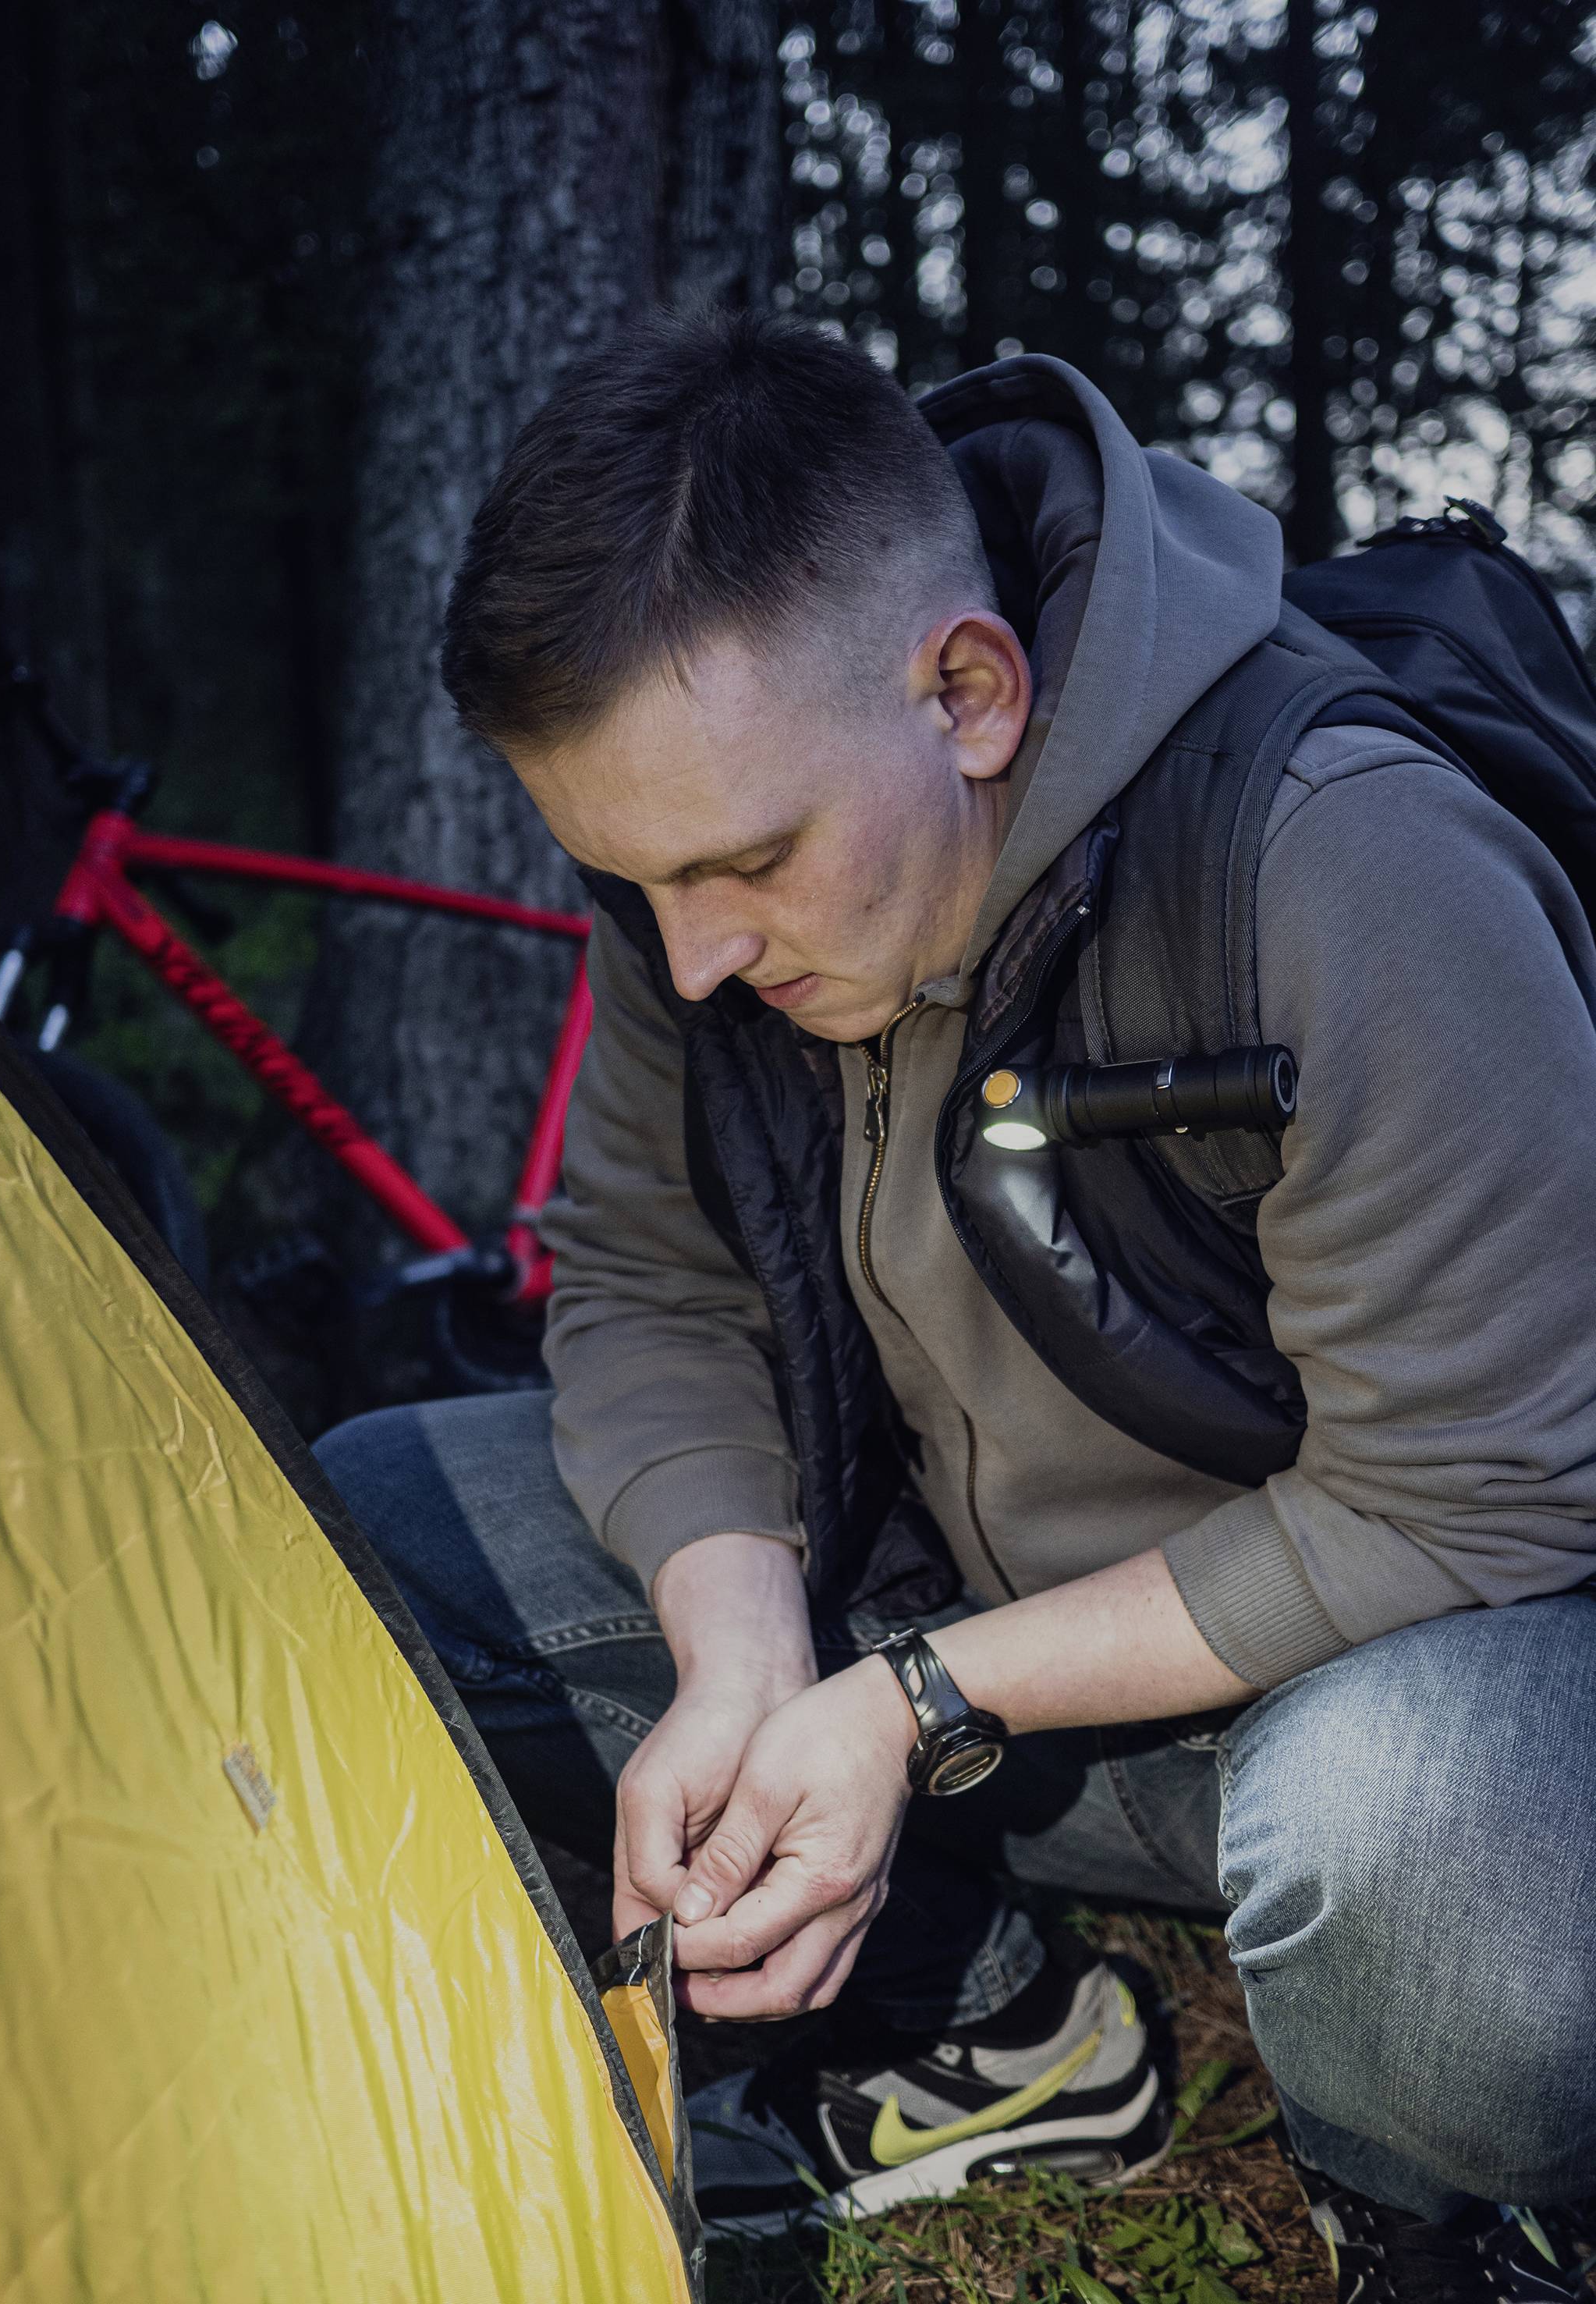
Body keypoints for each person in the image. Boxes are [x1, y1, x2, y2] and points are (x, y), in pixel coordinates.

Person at [315, 307, 1596, 2289]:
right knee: (371, 1533)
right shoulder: (716, 888)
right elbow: (650, 1287)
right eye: (627, 879)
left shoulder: (1339, 852)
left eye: (743, 865)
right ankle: (991, 2023)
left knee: (1434, 1872)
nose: (686, 965)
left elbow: (1471, 1500)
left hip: (1400, 1662)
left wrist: (913, 1706)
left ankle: (1416, 2198)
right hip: (969, 1647)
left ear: (970, 689)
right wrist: (743, 1663)